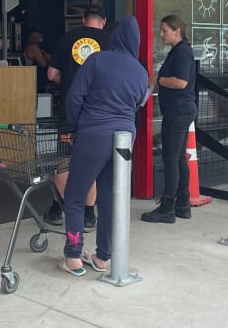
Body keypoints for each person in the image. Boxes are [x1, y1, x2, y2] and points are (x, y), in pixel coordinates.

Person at [59, 15, 147, 276]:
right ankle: (103, 257)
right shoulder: (141, 71)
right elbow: (137, 106)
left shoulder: (97, 59)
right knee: (109, 198)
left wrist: (75, 126)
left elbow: (75, 96)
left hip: (94, 133)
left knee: (75, 196)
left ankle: (73, 256)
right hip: (124, 137)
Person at [44, 6, 111, 229]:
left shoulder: (67, 38)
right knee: (91, 162)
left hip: (70, 112)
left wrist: (70, 80)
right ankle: (89, 213)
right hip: (97, 114)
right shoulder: (109, 41)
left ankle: (59, 208)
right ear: (103, 21)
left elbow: (52, 74)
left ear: (83, 20)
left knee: (63, 160)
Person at [142, 15, 198, 223]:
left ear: (177, 31)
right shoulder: (178, 51)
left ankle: (167, 206)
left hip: (178, 111)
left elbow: (181, 82)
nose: (161, 34)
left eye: (165, 30)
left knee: (171, 159)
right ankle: (183, 204)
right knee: (179, 158)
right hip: (181, 110)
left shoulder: (182, 52)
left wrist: (159, 79)